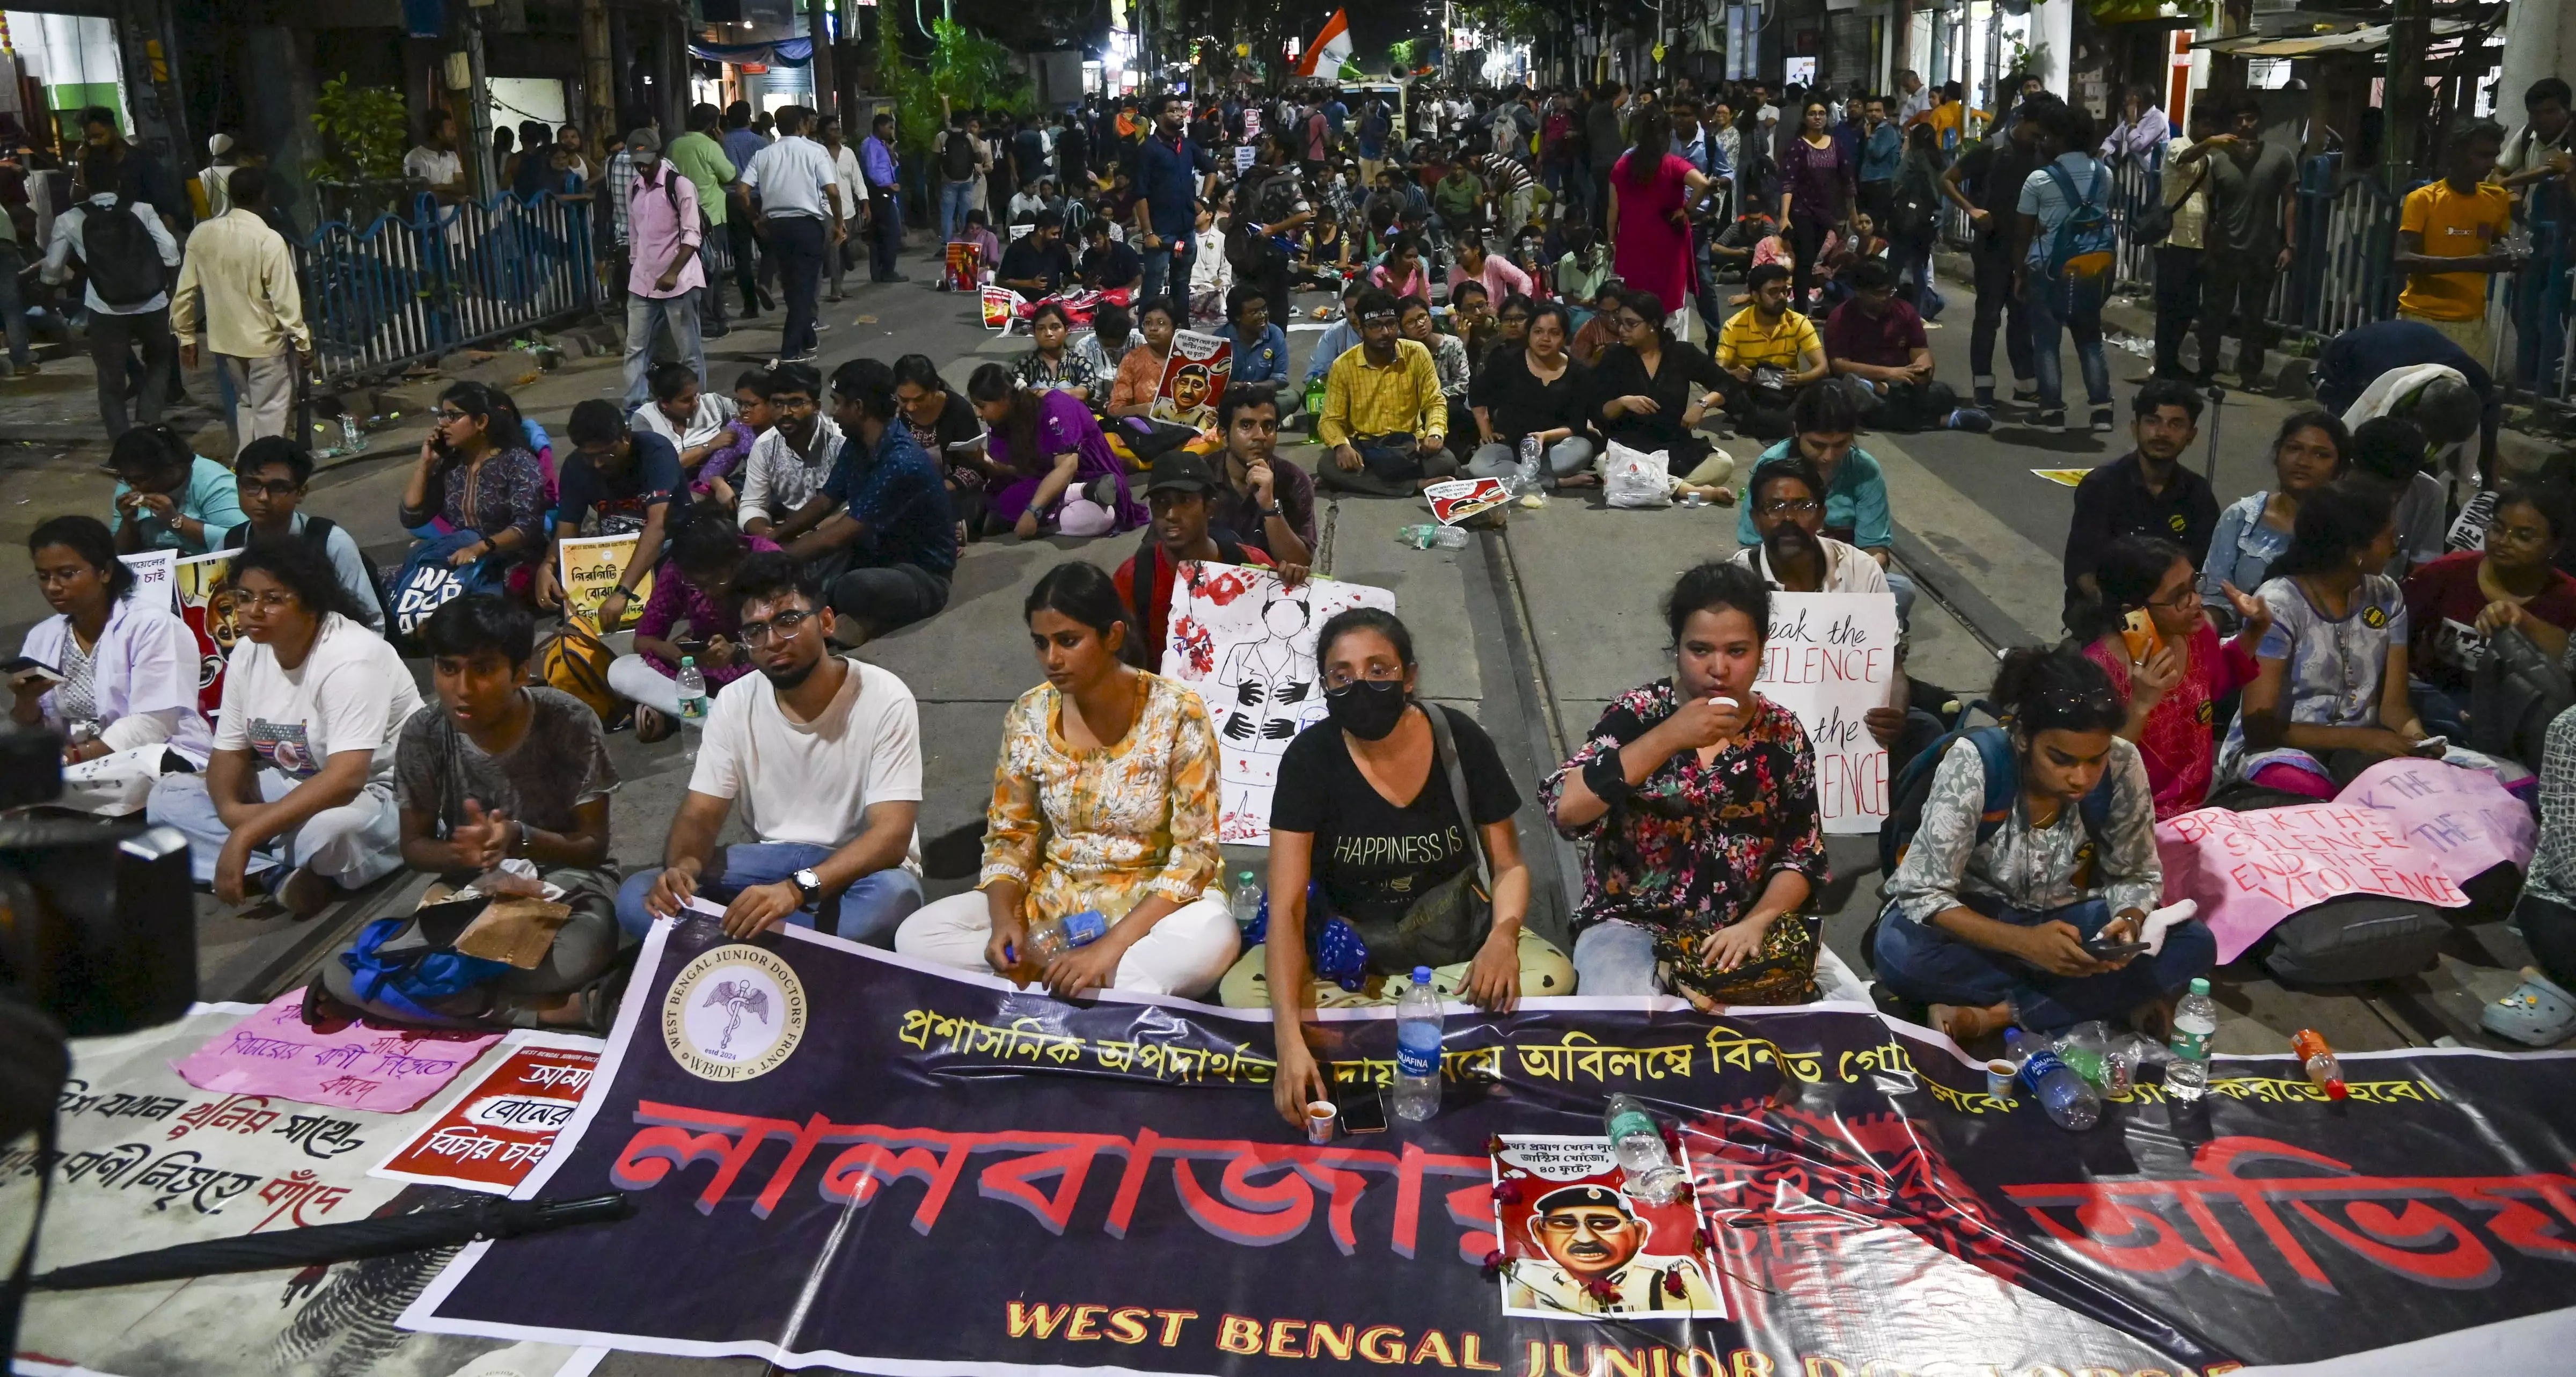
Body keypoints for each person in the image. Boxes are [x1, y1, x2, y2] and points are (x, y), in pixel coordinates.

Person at [1241, 607, 1575, 1080]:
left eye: (1379, 670)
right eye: (1343, 675)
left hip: (1453, 946)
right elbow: (1289, 907)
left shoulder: (1459, 739)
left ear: (1410, 676)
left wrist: (1502, 939)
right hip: (1348, 956)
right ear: (1325, 686)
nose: (1361, 685)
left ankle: (1364, 1030)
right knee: (1245, 991)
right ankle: (1434, 1027)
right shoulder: (1310, 760)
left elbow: (1509, 867)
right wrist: (1289, 1043)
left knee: (1549, 973)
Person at [895, 562, 1238, 999]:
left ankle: (1047, 986)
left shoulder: (1176, 711)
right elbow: (1010, 836)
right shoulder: (1029, 714)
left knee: (1211, 939)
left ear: (1112, 636)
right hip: (1058, 903)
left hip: (1156, 905)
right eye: (1041, 643)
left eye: (1068, 641)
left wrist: (1109, 949)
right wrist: (1006, 922)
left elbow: (1196, 855)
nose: (1051, 659)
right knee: (918, 937)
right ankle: (1081, 990)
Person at [1875, 646, 2209, 1040]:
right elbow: (1922, 890)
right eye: (2061, 759)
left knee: (2194, 941)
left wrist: (2129, 921)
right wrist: (2025, 943)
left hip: (2065, 920)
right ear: (2022, 737)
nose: (2081, 777)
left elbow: (2136, 873)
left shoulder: (2123, 762)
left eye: (2094, 759)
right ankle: (2098, 1000)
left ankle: (1994, 1015)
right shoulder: (1977, 762)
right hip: (1977, 922)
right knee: (1899, 951)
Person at [322, 594, 623, 1029]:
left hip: (568, 883)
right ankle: (550, 1009)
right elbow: (415, 847)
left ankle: (416, 997)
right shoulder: (424, 733)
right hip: (470, 890)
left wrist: (520, 836)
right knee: (339, 969)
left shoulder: (569, 721)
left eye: (482, 670)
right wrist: (464, 857)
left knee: (575, 955)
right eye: (448, 669)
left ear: (519, 672)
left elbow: (593, 848)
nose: (462, 689)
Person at [1543, 562, 1829, 1006]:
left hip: (1740, 930)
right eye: (1700, 650)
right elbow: (1567, 808)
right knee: (1624, 1026)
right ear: (1675, 648)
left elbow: (1802, 853)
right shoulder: (1640, 713)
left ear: (1762, 649)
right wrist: (1668, 736)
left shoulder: (1782, 733)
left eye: (1738, 650)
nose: (1719, 668)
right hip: (1630, 924)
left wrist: (1758, 922)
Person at [618, 551, 926, 944]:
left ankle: (737, 950)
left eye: (788, 621)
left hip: (858, 869)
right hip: (768, 862)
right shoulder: (734, 701)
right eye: (756, 631)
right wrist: (683, 869)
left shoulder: (884, 696)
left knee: (891, 903)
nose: (774, 641)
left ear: (827, 621)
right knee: (638, 897)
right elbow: (700, 815)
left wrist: (796, 890)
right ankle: (804, 949)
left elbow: (891, 837)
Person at [147, 536, 422, 917]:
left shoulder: (352, 657)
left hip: (384, 791)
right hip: (299, 785)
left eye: (273, 599)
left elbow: (346, 778)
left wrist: (246, 831)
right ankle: (276, 874)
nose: (253, 611)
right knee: (167, 796)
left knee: (329, 831)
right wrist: (230, 811)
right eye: (244, 597)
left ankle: (259, 855)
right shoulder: (247, 652)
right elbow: (229, 751)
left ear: (311, 602)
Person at [2221, 480, 2438, 797]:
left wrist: (2417, 740)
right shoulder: (2279, 603)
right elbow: (2260, 728)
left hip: (2357, 753)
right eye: (2390, 536)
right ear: (2356, 553)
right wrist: (2362, 739)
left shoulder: (2387, 594)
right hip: (2278, 750)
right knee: (2314, 792)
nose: (2396, 546)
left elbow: (2394, 708)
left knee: (2434, 783)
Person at [12, 515, 212, 814]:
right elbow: (37, 733)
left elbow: (152, 725)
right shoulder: (43, 637)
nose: (53, 587)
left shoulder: (152, 626)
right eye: (44, 577)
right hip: (82, 768)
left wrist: (69, 758)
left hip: (155, 756)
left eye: (67, 574)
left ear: (105, 571)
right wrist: (25, 701)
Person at [2078, 537, 2271, 819]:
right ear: (2131, 612)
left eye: (2194, 585)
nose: (2196, 601)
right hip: (2131, 820)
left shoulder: (2197, 636)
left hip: (2198, 809)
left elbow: (2220, 680)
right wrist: (2141, 705)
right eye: (2178, 596)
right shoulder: (2096, 671)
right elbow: (2095, 770)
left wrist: (2255, 631)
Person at [773, 357, 957, 642]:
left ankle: (864, 623)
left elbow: (840, 534)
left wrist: (773, 559)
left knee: (851, 587)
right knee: (806, 573)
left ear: (858, 407)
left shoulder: (901, 461)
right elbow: (825, 500)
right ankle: (849, 620)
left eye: (837, 402)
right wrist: (773, 538)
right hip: (873, 556)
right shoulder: (857, 444)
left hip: (921, 575)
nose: (833, 413)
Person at [1734, 384, 1912, 622]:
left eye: (1840, 444)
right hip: (1780, 575)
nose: (1829, 456)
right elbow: (1752, 546)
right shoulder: (1771, 467)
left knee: (1902, 590)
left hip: (1845, 575)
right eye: (1818, 445)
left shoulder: (1865, 470)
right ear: (1797, 430)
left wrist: (1856, 578)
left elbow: (1875, 548)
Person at [2403, 483, 2576, 717]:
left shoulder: (2568, 597)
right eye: (2497, 528)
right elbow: (2394, 637)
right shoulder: (2445, 573)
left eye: (2524, 537)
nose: (2504, 541)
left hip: (2523, 722)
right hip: (2439, 706)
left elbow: (2564, 671)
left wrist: (2523, 621)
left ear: (2555, 546)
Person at [43, 159, 181, 437]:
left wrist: (49, 290)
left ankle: (122, 443)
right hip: (152, 302)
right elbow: (169, 249)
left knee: (110, 378)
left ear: (84, 184)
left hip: (105, 308)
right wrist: (170, 287)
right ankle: (149, 420)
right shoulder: (142, 210)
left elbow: (53, 268)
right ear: (118, 183)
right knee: (160, 358)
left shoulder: (70, 219)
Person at [2063, 380, 2218, 624]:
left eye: (2176, 424)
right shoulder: (2101, 486)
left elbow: (2204, 570)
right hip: (2104, 617)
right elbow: (2083, 573)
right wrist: (2133, 620)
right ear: (2135, 428)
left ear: (2191, 436)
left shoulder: (2198, 493)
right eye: (2152, 421)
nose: (2162, 433)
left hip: (2172, 617)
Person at [170, 166, 305, 444]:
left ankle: (246, 470)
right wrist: (302, 342)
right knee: (270, 412)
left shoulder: (202, 234)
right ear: (265, 195)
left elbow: (185, 291)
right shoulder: (269, 240)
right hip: (265, 342)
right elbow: (285, 300)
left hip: (227, 341)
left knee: (247, 405)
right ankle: (267, 473)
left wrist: (185, 336)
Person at [1115, 449, 1281, 673]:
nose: (1172, 514)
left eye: (1185, 501)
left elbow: (1283, 638)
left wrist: (1291, 583)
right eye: (1162, 502)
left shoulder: (1251, 564)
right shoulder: (1132, 578)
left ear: (1210, 508)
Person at [2010, 97, 2116, 433]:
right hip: (2091, 265)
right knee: (2090, 339)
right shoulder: (2105, 174)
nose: (2043, 142)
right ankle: (2102, 410)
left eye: (2047, 137)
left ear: (2059, 138)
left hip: (2049, 268)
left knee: (2046, 341)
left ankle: (2052, 410)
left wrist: (2019, 273)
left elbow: (2023, 233)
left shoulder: (2039, 179)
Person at [2179, 96, 2297, 390]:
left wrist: (2289, 245)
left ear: (2260, 121)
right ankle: (2207, 368)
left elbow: (2291, 200)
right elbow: (2206, 201)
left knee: (2254, 318)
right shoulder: (2217, 158)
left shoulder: (2280, 156)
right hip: (2223, 250)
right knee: (2213, 316)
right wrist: (2207, 246)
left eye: (2250, 119)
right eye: (2238, 120)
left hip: (2263, 250)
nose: (2244, 125)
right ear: (2230, 124)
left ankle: (2251, 377)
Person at [537, 399, 682, 631]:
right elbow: (566, 530)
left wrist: (622, 592)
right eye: (588, 456)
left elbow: (658, 526)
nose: (597, 464)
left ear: (625, 437)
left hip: (671, 547)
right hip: (616, 556)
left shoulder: (656, 452)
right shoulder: (576, 466)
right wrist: (548, 565)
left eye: (606, 454)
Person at [224, 438, 387, 632]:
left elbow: (373, 625)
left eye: (278, 488)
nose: (263, 497)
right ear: (238, 486)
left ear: (301, 492)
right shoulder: (229, 545)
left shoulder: (331, 543)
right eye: (252, 485)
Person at [967, 362, 1141, 541]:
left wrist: (1033, 511)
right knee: (1007, 499)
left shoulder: (1055, 406)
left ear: (1004, 398)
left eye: (982, 406)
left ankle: (1082, 493)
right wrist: (987, 462)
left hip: (1087, 473)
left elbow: (1068, 467)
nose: (979, 414)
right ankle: (1085, 492)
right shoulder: (1000, 422)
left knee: (1102, 516)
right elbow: (1021, 471)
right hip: (1046, 480)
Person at [1941, 97, 2040, 409]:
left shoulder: (2044, 152)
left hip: (2027, 247)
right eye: (2036, 132)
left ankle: (2026, 384)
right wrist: (1972, 210)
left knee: (2022, 316)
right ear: (2022, 119)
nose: (2039, 140)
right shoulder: (1994, 148)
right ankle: (1983, 384)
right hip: (1993, 245)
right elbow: (1947, 179)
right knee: (1988, 317)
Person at [2392, 120, 2516, 364]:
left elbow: (2502, 247)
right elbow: (2401, 259)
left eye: (2494, 155)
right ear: (2456, 153)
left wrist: (2514, 258)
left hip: (2471, 322)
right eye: (2482, 155)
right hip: (2422, 318)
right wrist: (2472, 263)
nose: (2491, 163)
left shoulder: (2496, 199)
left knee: (2469, 397)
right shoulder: (2423, 199)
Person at [2198, 411, 2351, 606]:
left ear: (2340, 468)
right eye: (2294, 448)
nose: (2303, 462)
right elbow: (2213, 596)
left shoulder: (2350, 528)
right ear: (2278, 454)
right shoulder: (2242, 519)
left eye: (2321, 455)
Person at [1315, 288, 1456, 496]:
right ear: (1360, 329)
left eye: (1391, 324)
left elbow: (1434, 402)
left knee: (1446, 461)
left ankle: (1365, 481)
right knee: (1327, 463)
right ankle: (1416, 485)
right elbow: (1330, 420)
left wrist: (1434, 433)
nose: (1386, 332)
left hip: (1409, 446)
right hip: (1365, 447)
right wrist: (1341, 447)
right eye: (1375, 326)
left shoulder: (1417, 353)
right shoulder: (1343, 366)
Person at [2492, 699, 2576, 1045]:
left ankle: (2560, 989)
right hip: (2565, 899)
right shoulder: (2570, 730)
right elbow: (2568, 861)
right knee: (2550, 921)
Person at [400, 382, 549, 576]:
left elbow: (528, 525)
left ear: (481, 422)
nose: (443, 423)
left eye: (453, 416)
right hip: (467, 561)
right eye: (442, 415)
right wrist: (426, 463)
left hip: (515, 564)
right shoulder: (452, 466)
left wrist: (482, 547)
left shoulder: (517, 462)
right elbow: (412, 517)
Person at [1592, 289, 1736, 487]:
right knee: (1604, 463)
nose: (1622, 330)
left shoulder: (1682, 354)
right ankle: (1683, 490)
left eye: (1631, 324)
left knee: (1724, 463)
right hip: (1630, 448)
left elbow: (1727, 383)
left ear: (1654, 324)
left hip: (1675, 447)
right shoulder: (1614, 356)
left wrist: (1702, 404)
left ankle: (1653, 487)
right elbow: (1600, 410)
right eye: (1620, 323)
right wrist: (1623, 402)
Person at [1823, 258, 1981, 433]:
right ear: (1860, 292)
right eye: (1878, 293)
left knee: (1944, 395)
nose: (1885, 298)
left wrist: (1923, 370)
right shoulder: (1841, 318)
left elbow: (1921, 351)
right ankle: (1946, 420)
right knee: (1837, 395)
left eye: (1889, 292)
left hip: (1902, 385)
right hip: (1863, 379)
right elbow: (1839, 364)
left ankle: (1879, 393)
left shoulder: (1905, 311)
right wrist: (1888, 373)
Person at [740, 107, 843, 366]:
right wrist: (839, 223)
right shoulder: (814, 152)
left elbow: (742, 191)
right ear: (801, 126)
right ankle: (790, 350)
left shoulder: (763, 154)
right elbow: (832, 190)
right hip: (807, 224)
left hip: (776, 226)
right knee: (805, 287)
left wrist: (754, 218)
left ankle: (807, 338)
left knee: (791, 284)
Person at [1609, 105, 1719, 340]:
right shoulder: (1672, 164)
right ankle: (1670, 363)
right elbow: (1703, 184)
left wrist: (1611, 240)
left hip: (1632, 244)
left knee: (1634, 306)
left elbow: (1613, 209)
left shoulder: (1622, 166)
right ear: (1668, 135)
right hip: (1669, 245)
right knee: (1671, 311)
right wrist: (1686, 211)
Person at [617, 129, 706, 407]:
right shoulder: (634, 187)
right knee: (636, 349)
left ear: (659, 155)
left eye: (647, 160)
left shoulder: (679, 185)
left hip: (679, 282)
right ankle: (635, 408)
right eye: (637, 162)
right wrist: (636, 266)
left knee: (688, 352)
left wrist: (672, 272)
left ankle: (697, 405)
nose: (642, 167)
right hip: (643, 282)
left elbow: (692, 235)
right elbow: (635, 234)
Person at [1468, 301, 1597, 486]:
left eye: (1554, 333)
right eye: (1538, 332)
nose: (1545, 339)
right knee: (1478, 467)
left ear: (1565, 337)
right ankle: (1553, 482)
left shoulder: (1578, 372)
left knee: (1583, 449)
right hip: (1509, 446)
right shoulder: (1507, 361)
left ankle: (1523, 477)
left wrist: (1545, 437)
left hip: (1552, 449)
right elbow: (1477, 395)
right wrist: (1485, 429)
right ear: (1528, 334)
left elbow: (1577, 425)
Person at [1204, 384, 1315, 573]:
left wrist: (1269, 506)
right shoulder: (1200, 475)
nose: (1260, 436)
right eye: (1246, 426)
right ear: (1223, 435)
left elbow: (1300, 563)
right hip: (1209, 587)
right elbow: (1158, 551)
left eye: (1268, 426)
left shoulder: (1294, 480)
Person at [1712, 264, 1829, 438]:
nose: (1782, 297)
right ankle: (1781, 420)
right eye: (1774, 292)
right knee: (1723, 383)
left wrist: (1799, 379)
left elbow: (1822, 367)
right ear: (1755, 296)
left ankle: (1763, 420)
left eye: (1785, 291)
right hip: (1751, 391)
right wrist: (1735, 373)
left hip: (1786, 390)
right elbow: (1717, 369)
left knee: (1829, 386)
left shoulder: (1798, 322)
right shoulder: (1735, 325)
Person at [2151, 101, 2221, 382]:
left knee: (2187, 306)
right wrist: (2212, 142)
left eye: (2213, 128)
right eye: (2206, 126)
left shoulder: (2209, 160)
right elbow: (2184, 159)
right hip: (2172, 240)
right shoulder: (2177, 145)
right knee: (2169, 305)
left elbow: (2207, 201)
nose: (2210, 132)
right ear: (2195, 123)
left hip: (2194, 241)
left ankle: (2171, 359)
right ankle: (2164, 363)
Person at [1133, 92, 1218, 318]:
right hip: (1161, 234)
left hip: (1185, 231)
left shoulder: (1187, 146)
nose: (1180, 114)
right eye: (1173, 110)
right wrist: (1148, 232)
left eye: (1181, 110)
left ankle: (1181, 328)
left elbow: (1211, 170)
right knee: (1154, 282)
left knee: (1182, 281)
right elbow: (1140, 194)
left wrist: (1204, 200)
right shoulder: (1148, 150)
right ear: (1158, 117)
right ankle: (1146, 330)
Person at [735, 363, 841, 540]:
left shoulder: (840, 441)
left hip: (837, 535)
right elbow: (752, 505)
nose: (785, 412)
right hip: (785, 535)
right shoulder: (765, 446)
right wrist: (767, 535)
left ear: (817, 406)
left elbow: (854, 508)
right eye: (777, 403)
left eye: (796, 403)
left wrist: (809, 535)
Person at [106, 425, 240, 556]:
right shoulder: (130, 482)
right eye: (126, 479)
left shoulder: (213, 482)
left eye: (141, 479)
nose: (134, 487)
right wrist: (129, 522)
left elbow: (242, 540)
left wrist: (175, 520)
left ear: (172, 470)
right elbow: (119, 552)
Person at [1776, 99, 1855, 315]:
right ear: (1805, 118)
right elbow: (1788, 183)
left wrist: (1853, 214)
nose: (1818, 117)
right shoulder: (1798, 146)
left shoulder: (1836, 145)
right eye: (1813, 113)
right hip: (1801, 212)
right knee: (1804, 261)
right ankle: (1802, 312)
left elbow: (1848, 181)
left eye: (1822, 113)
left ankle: (1802, 308)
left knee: (1810, 260)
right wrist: (1784, 217)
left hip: (1826, 213)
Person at [2348, 413, 2450, 578]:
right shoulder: (2328, 487)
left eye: (2400, 489)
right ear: (2354, 469)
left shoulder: (2428, 492)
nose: (2391, 498)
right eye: (2378, 489)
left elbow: (2424, 568)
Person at [634, 361, 750, 502]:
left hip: (720, 480)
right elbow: (661, 468)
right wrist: (709, 446)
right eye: (686, 400)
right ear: (664, 403)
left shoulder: (713, 404)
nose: (696, 403)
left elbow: (750, 415)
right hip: (671, 491)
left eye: (697, 395)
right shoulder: (645, 420)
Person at [1401, 294, 1476, 443]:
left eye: (1423, 317)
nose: (1420, 324)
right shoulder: (1402, 352)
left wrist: (1432, 399)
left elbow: (1462, 385)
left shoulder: (1452, 344)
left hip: (1449, 405)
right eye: (1411, 322)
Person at [1015, 301, 1100, 401]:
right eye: (1041, 328)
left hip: (1071, 415)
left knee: (1063, 385)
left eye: (1055, 327)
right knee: (1038, 385)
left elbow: (1085, 392)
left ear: (1067, 330)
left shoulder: (1081, 363)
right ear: (1034, 332)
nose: (1048, 333)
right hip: (1038, 416)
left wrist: (1043, 393)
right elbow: (1016, 395)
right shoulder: (1024, 365)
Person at [859, 112, 908, 285]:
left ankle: (881, 272)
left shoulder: (882, 145)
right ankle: (887, 270)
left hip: (888, 192)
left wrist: (891, 151)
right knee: (891, 232)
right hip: (880, 193)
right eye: (890, 127)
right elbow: (871, 171)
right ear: (880, 127)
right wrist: (887, 186)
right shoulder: (870, 145)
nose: (891, 131)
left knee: (883, 233)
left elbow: (894, 166)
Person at [933, 108, 990, 251]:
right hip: (967, 180)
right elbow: (978, 158)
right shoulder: (970, 137)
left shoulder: (942, 136)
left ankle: (946, 243)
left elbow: (934, 159)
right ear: (965, 122)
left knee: (947, 213)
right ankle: (967, 241)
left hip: (948, 180)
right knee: (966, 211)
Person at [997, 210, 1078, 297]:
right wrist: (1030, 283)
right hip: (1023, 302)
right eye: (1054, 234)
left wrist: (1061, 289)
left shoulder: (1059, 248)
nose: (1057, 237)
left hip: (1051, 304)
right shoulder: (1017, 249)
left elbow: (1069, 274)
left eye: (1059, 234)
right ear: (1041, 231)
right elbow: (1002, 281)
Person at [405, 110, 469, 205]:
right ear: (439, 134)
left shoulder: (452, 156)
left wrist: (437, 187)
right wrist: (456, 199)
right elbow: (424, 196)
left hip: (453, 219)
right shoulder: (415, 157)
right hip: (425, 219)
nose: (455, 135)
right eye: (451, 130)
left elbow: (462, 188)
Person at [1081, 215, 1143, 290]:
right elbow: (1086, 284)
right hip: (1100, 296)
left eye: (1097, 240)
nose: (1093, 244)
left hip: (1125, 294)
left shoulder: (1126, 252)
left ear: (1107, 236)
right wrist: (1089, 285)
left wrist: (1111, 292)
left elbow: (1137, 282)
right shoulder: (1088, 256)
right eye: (1090, 241)